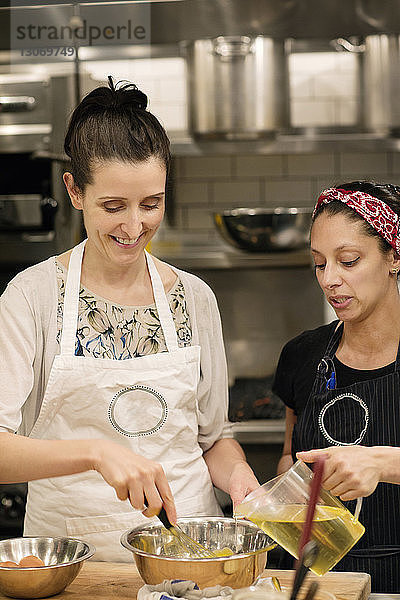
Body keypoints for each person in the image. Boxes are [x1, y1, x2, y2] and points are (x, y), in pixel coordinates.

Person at [0, 77, 259, 561]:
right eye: (113, 206)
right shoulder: (31, 297)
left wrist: (241, 478)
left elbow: (213, 440)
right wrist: (98, 453)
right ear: (75, 191)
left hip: (188, 550)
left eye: (151, 204)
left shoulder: (194, 298)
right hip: (76, 564)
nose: (134, 226)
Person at [273, 181, 400, 593]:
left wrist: (381, 465)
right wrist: (276, 503)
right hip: (318, 584)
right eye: (319, 263)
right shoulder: (302, 355)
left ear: (394, 256)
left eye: (348, 260)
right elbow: (290, 457)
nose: (330, 279)